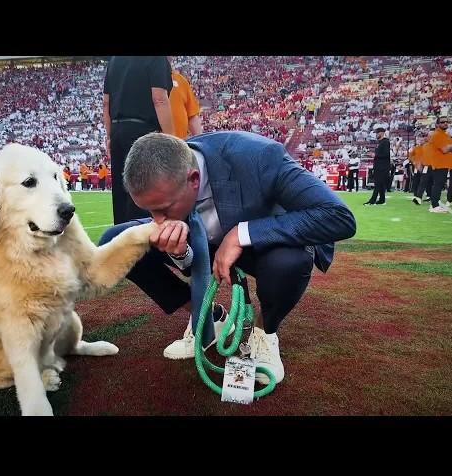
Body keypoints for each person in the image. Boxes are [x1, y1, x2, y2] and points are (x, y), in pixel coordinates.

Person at [99, 132, 356, 385]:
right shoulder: (169, 172)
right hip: (209, 242)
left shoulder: (260, 157)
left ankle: (263, 332)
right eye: (150, 212)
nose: (158, 221)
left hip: (265, 245)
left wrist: (242, 234)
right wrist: (178, 253)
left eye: (164, 210)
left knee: (288, 262)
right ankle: (210, 317)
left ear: (194, 179)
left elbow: (339, 217)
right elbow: (193, 263)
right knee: (117, 241)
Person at [103, 56, 174, 224]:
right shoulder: (156, 59)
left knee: (121, 196)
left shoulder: (114, 60)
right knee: (144, 194)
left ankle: (121, 241)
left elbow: (106, 103)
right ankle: (142, 245)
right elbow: (159, 99)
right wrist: (172, 138)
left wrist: (109, 135)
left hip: (117, 130)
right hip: (143, 131)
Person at [168, 57, 202, 140]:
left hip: (180, 145)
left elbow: (192, 116)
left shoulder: (181, 80)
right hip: (154, 145)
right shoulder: (143, 78)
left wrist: (201, 142)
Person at [428, 116, 452, 213]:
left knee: (439, 185)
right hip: (439, 163)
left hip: (444, 164)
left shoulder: (446, 135)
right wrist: (449, 147)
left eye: (446, 122)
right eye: (442, 122)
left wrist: (449, 147)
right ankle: (434, 205)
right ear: (438, 124)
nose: (445, 123)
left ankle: (435, 204)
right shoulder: (437, 135)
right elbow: (445, 150)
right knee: (438, 185)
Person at [364, 126, 390, 205]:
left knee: (378, 184)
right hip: (378, 166)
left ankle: (372, 201)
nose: (376, 135)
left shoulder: (385, 142)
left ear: (381, 133)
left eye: (377, 133)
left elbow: (386, 154)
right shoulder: (380, 143)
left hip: (383, 166)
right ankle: (382, 200)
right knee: (380, 184)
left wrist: (375, 155)